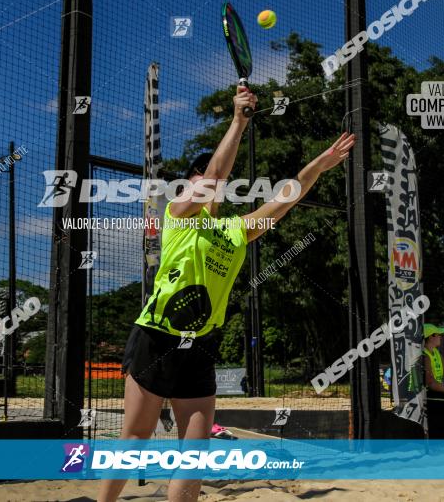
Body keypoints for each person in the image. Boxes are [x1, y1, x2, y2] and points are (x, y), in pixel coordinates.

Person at [99, 86, 356, 502]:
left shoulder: (235, 231)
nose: (208, 182)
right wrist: (239, 119)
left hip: (200, 346)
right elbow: (215, 176)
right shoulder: (179, 216)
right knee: (135, 438)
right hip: (156, 337)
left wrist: (319, 166)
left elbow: (285, 200)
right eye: (199, 178)